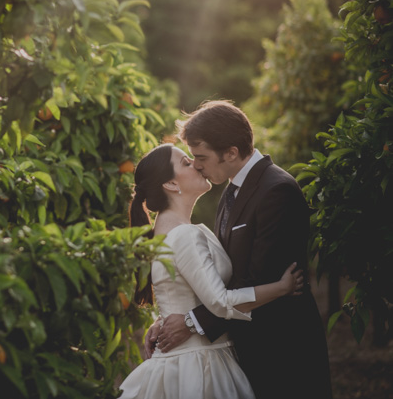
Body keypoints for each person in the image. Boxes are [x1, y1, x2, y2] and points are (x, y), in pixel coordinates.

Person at [148, 100, 332, 399]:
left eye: (201, 157)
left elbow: (258, 277)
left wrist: (191, 323)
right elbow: (217, 279)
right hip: (246, 346)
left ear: (231, 152)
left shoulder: (276, 190)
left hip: (282, 347)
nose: (196, 165)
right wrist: (171, 315)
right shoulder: (232, 192)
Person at [119, 143, 303, 399]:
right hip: (199, 363)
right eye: (185, 162)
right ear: (171, 184)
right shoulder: (184, 234)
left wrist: (165, 319)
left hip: (185, 358)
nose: (195, 164)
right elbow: (219, 302)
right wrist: (281, 288)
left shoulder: (168, 231)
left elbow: (177, 292)